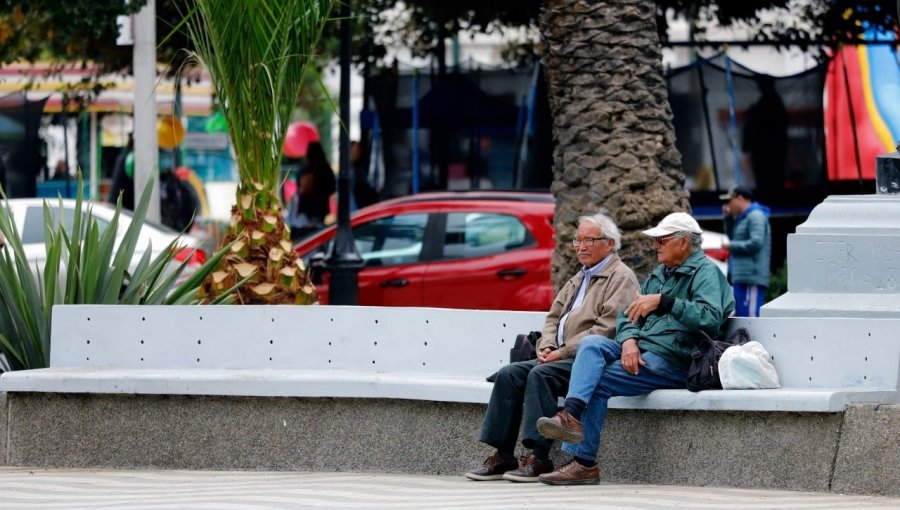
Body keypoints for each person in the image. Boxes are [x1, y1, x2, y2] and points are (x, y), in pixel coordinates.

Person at [535, 212, 734, 485]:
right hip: (642, 350)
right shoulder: (660, 274)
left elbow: (710, 319)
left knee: (598, 382)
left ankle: (584, 463)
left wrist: (666, 303)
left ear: (684, 242)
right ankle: (570, 416)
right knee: (592, 344)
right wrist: (628, 341)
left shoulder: (706, 273)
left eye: (661, 240)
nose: (655, 246)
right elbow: (626, 317)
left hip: (674, 358)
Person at [464, 212, 640, 483]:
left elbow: (608, 328)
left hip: (585, 359)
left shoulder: (621, 277)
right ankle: (503, 455)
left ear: (609, 243)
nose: (581, 246)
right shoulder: (580, 276)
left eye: (588, 240)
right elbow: (552, 318)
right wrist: (546, 347)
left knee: (540, 375)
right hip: (558, 355)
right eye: (577, 240)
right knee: (509, 373)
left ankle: (539, 458)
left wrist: (564, 350)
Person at [720, 186, 771, 317]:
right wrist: (728, 218)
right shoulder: (743, 218)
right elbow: (734, 236)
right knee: (743, 317)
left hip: (751, 277)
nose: (728, 205)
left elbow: (756, 243)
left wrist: (731, 246)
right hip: (742, 276)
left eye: (729, 201)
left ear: (740, 198)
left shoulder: (755, 216)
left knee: (751, 318)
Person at [288, 142, 336, 240]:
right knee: (319, 233)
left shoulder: (305, 169)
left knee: (304, 236)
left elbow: (299, 186)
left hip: (305, 207)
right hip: (322, 207)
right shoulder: (326, 169)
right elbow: (332, 188)